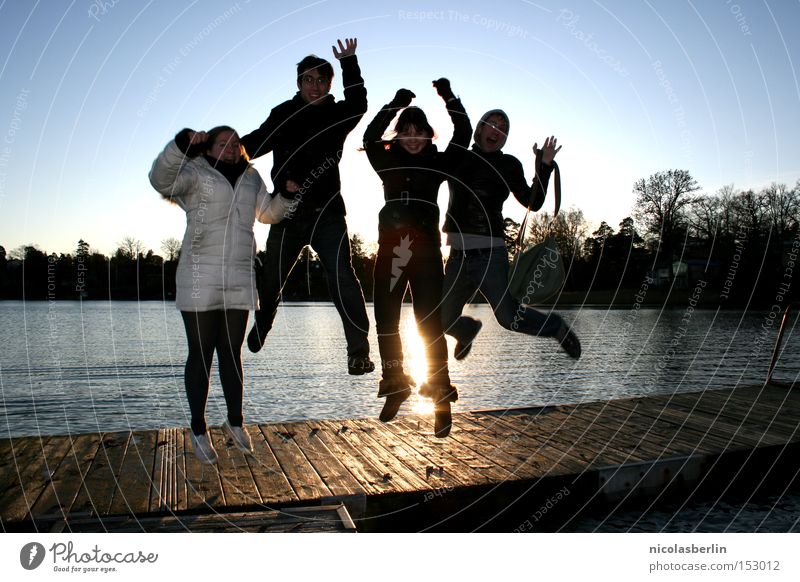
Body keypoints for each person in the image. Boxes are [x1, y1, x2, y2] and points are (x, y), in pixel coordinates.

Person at [239, 38, 374, 376]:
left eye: (321, 80)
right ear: (298, 82)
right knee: (271, 283)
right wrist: (222, 154)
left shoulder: (337, 114)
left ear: (329, 83)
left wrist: (349, 63)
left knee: (343, 277)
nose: (315, 86)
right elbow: (255, 141)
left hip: (328, 213)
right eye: (308, 80)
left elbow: (358, 102)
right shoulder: (284, 113)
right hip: (287, 214)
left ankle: (358, 352)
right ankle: (264, 321)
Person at [149, 126, 272, 464]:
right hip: (200, 277)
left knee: (231, 353)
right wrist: (179, 146)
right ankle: (198, 428)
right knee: (201, 354)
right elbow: (160, 179)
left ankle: (235, 422)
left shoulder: (251, 177)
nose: (231, 148)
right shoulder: (194, 174)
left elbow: (269, 213)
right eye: (223, 143)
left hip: (238, 276)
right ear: (208, 148)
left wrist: (288, 195)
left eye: (235, 143)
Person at [362, 79, 471, 437]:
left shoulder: (438, 165)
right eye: (405, 131)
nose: (411, 137)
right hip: (391, 254)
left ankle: (440, 401)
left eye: (418, 131)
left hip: (425, 255)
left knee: (429, 327)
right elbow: (369, 137)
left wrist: (448, 97)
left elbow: (464, 130)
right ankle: (395, 384)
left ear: (428, 135)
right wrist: (395, 102)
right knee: (385, 322)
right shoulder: (385, 162)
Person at [441, 109, 581, 361]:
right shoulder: (458, 157)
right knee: (439, 319)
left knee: (508, 317)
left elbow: (533, 201)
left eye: (502, 128)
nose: (496, 131)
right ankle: (467, 330)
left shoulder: (509, 165)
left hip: (490, 256)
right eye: (492, 125)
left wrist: (545, 166)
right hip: (457, 256)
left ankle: (555, 327)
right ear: (480, 129)